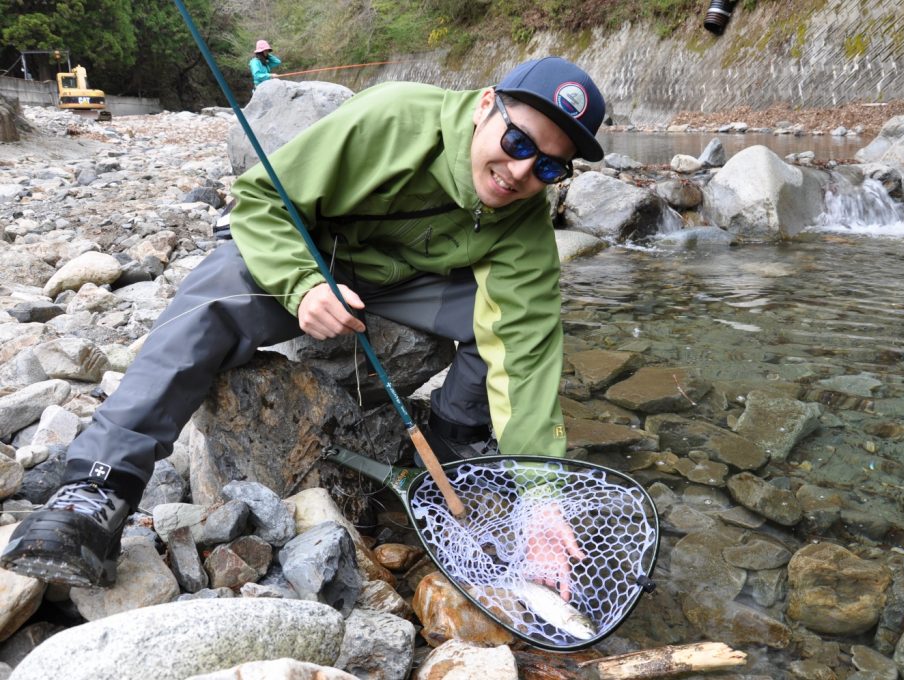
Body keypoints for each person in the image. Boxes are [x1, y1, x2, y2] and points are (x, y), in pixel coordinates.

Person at [1, 56, 605, 600]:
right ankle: (100, 485)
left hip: (408, 281)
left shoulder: (524, 213)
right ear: (484, 107)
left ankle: (453, 432)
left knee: (502, 319)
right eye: (519, 140)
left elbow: (527, 346)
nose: (521, 171)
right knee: (211, 300)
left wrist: (541, 497)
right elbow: (260, 200)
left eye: (550, 167)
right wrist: (304, 285)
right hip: (307, 252)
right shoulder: (393, 117)